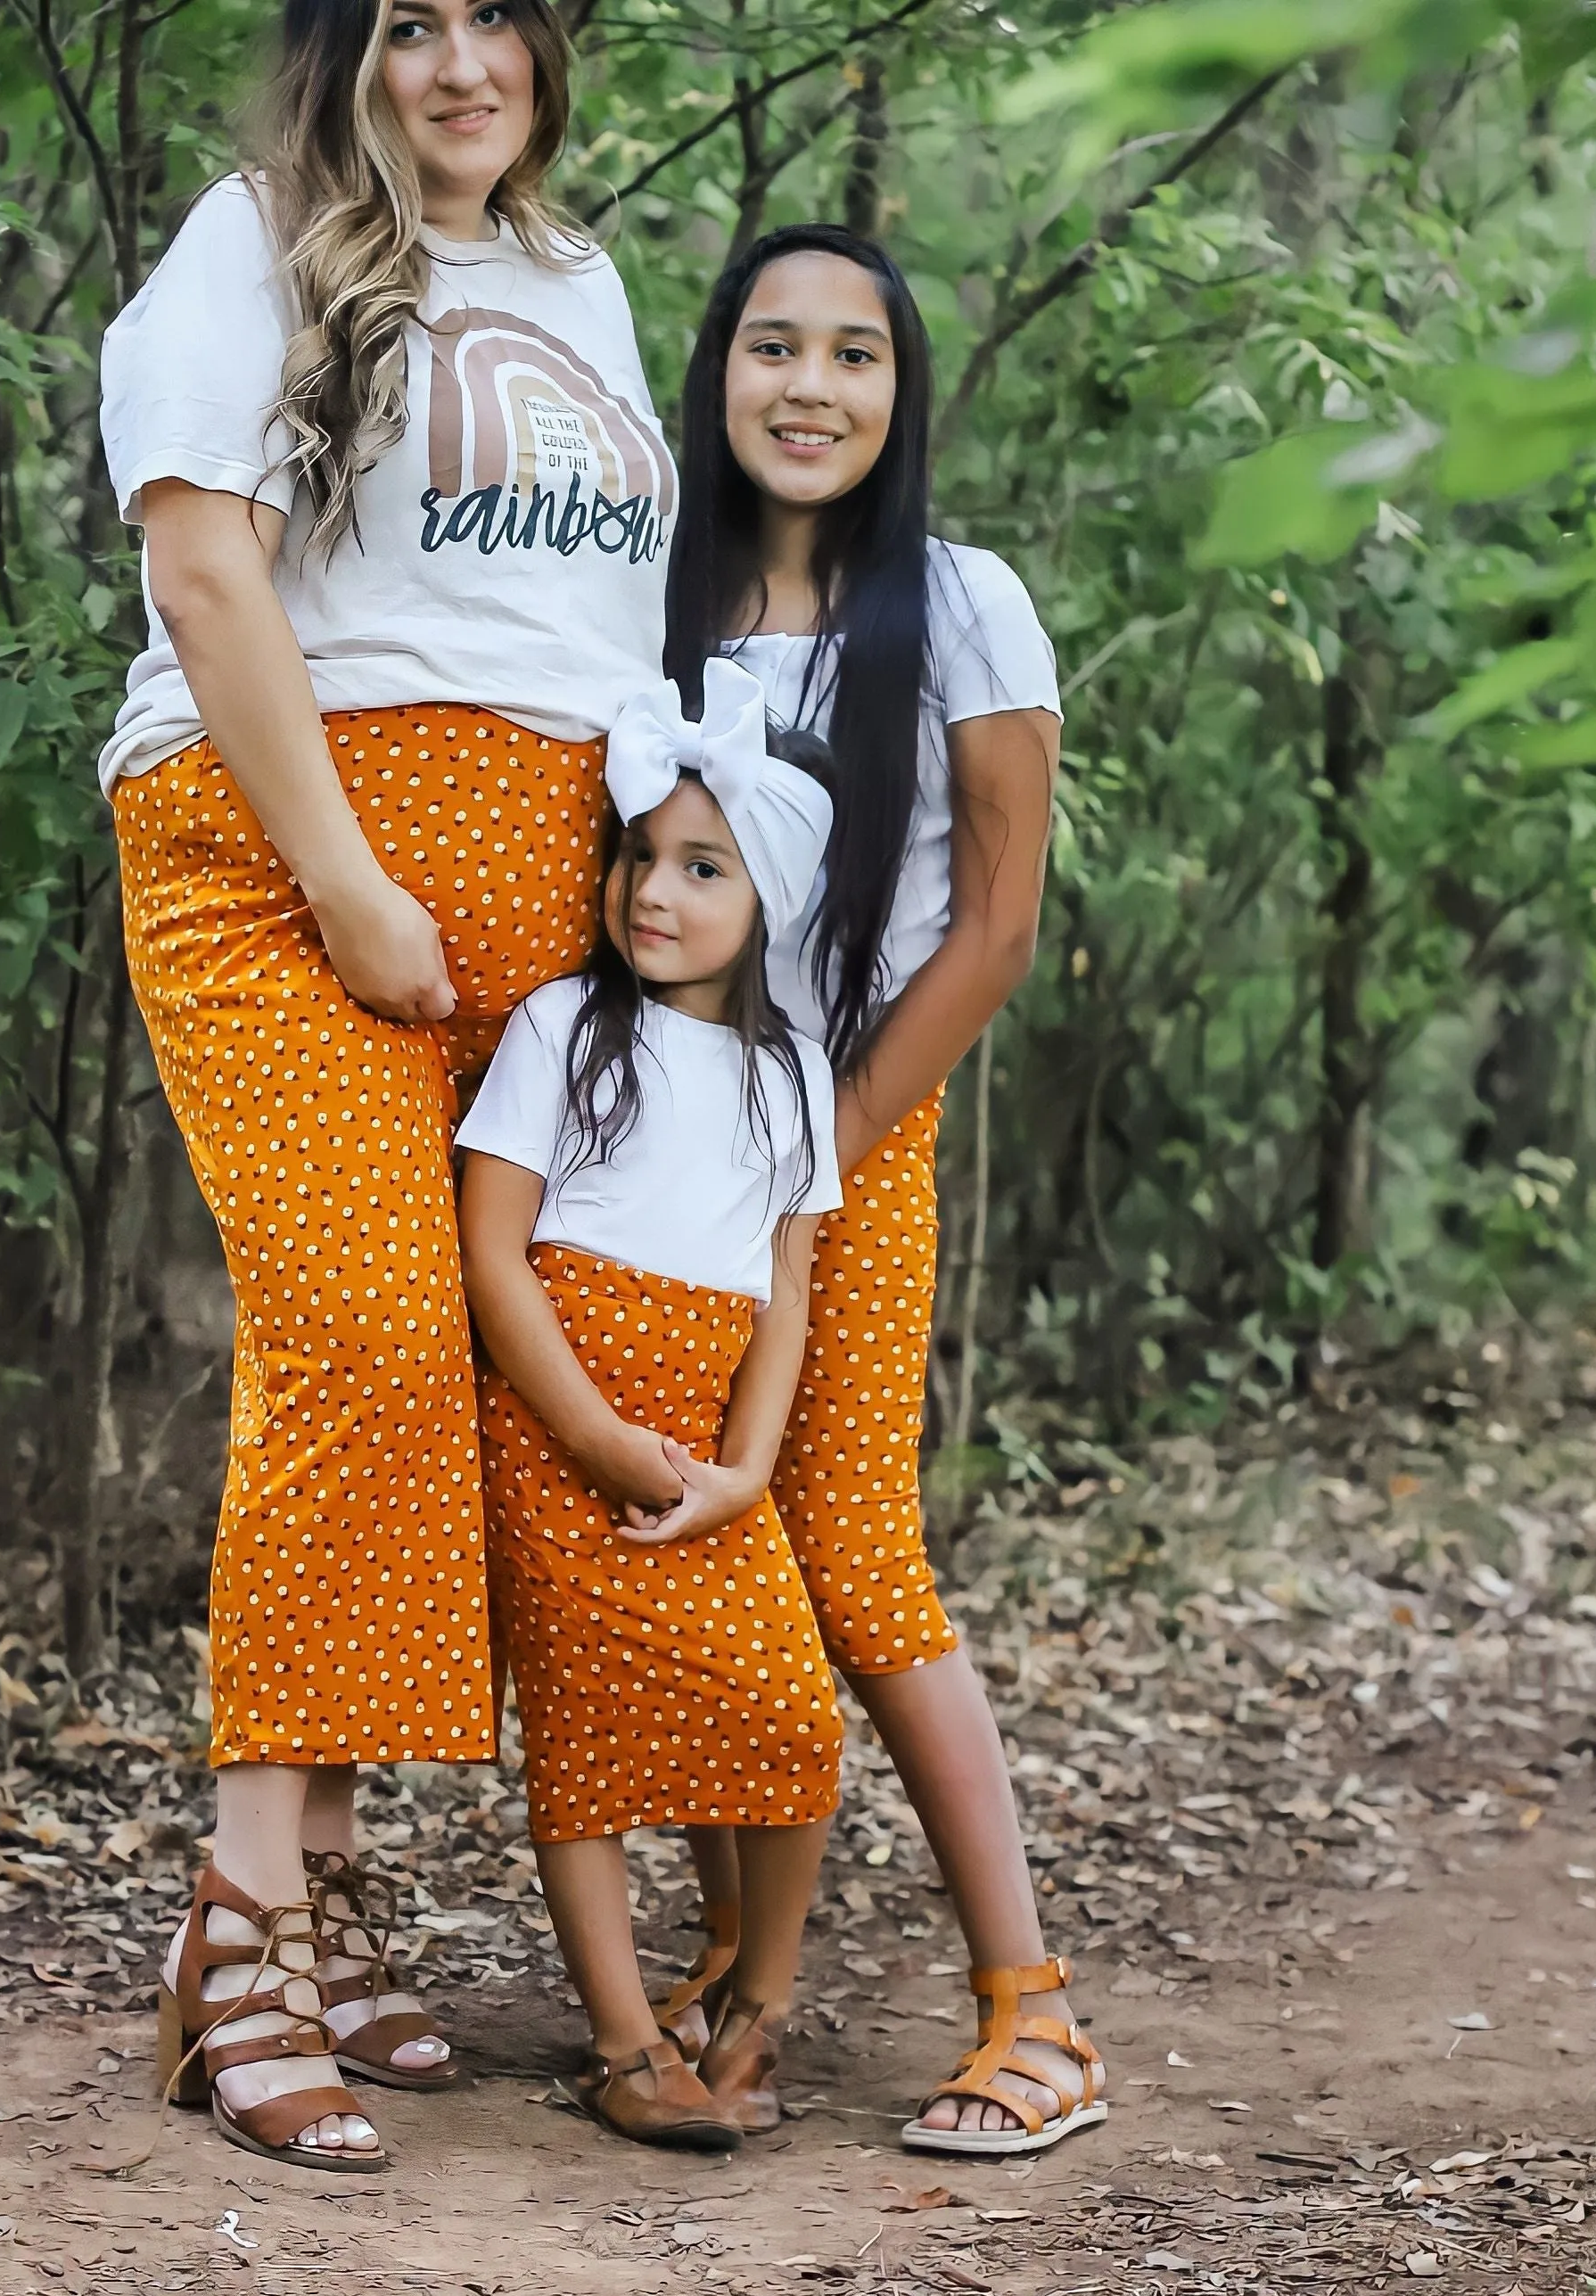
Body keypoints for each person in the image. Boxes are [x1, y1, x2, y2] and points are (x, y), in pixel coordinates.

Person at [101, 0, 676, 2173]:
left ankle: (331, 1877)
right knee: (354, 1331)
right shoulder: (248, 242)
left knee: (462, 1361)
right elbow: (202, 561)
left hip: (549, 876)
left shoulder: (583, 282)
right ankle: (241, 1918)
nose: (458, 63)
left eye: (494, 19)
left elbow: (594, 627)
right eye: (409, 22)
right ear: (348, 53)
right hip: (283, 850)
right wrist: (347, 873)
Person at [660, 225, 1107, 2157]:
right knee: (690, 1527)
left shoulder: (964, 600)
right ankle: (740, 1970)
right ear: (721, 373)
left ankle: (1035, 2012)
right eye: (774, 348)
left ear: (901, 394)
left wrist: (824, 1150)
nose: (811, 388)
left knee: (848, 1549)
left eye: (855, 355)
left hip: (848, 1136)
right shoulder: (651, 599)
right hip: (664, 1140)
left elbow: (997, 926)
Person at [458, 661, 844, 2151]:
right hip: (567, 1422)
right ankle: (623, 2040)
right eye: (639, 856)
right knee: (590, 1736)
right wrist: (594, 1432)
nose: (654, 892)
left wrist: (746, 1470)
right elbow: (495, 1246)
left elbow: (787, 1292)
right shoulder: (563, 1025)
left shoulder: (791, 1077)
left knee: (788, 1712)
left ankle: (754, 2003)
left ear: (769, 901)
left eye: (702, 867)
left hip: (710, 1440)